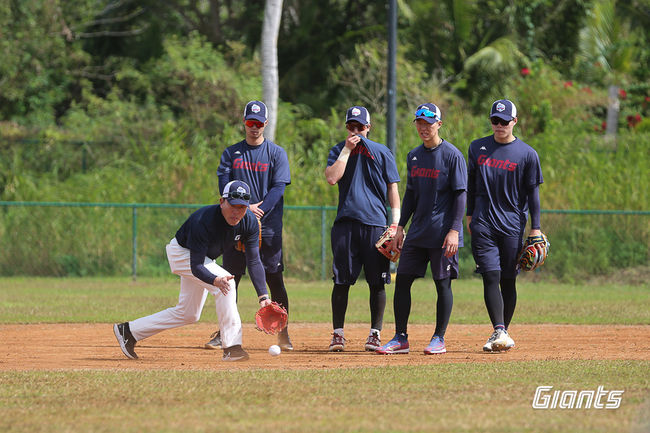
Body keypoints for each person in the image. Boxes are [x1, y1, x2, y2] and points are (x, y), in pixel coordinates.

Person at [113, 180, 272, 362]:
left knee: (188, 313)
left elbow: (253, 260)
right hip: (182, 253)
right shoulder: (203, 221)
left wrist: (264, 297)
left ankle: (129, 331)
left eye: (242, 207)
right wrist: (214, 280)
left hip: (204, 259)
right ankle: (232, 347)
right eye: (233, 205)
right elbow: (196, 266)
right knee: (226, 284)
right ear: (222, 202)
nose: (237, 212)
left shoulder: (249, 223)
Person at [376, 103, 467, 355]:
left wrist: (454, 230)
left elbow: (461, 195)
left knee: (442, 284)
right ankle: (400, 337)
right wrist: (400, 227)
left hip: (442, 234)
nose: (423, 128)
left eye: (428, 123)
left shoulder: (452, 155)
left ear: (439, 123)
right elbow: (411, 195)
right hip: (417, 232)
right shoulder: (414, 155)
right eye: (419, 122)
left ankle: (439, 338)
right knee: (403, 281)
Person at [204, 101, 293, 351]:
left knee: (274, 278)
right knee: (231, 279)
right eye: (249, 122)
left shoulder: (276, 153)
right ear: (243, 122)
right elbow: (224, 186)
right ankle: (225, 332)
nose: (254, 127)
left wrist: (259, 209)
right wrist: (246, 209)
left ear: (265, 123)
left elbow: (278, 187)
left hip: (269, 227)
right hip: (236, 225)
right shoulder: (231, 153)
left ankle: (283, 333)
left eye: (258, 123)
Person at [466, 99, 544, 352]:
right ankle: (499, 329)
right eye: (495, 121)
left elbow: (533, 195)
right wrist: (469, 216)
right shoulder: (478, 148)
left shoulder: (527, 154)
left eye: (504, 121)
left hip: (512, 225)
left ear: (514, 122)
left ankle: (503, 331)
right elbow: (471, 185)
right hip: (483, 223)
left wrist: (536, 228)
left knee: (508, 280)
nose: (499, 125)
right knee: (491, 274)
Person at [324, 106, 401, 352]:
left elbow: (393, 188)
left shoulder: (382, 151)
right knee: (341, 281)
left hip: (376, 225)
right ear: (347, 127)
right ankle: (338, 334)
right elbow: (331, 177)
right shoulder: (339, 150)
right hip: (346, 224)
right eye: (351, 127)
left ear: (368, 127)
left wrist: (395, 223)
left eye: (360, 127)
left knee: (377, 282)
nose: (356, 131)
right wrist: (347, 149)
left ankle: (375, 334)